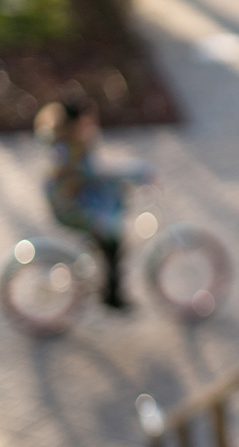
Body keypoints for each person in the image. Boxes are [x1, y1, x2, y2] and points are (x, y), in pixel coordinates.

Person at [33, 93, 154, 309]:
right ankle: (112, 294)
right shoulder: (67, 148)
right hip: (72, 208)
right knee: (112, 242)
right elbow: (95, 171)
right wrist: (136, 170)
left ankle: (106, 284)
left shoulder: (68, 142)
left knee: (109, 235)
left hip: (77, 201)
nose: (92, 124)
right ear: (76, 123)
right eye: (87, 121)